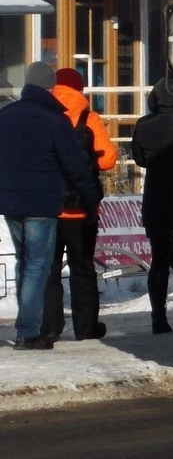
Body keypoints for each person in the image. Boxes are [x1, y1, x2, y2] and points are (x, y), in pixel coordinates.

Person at [0, 61, 102, 351]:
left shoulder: (5, 116)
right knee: (36, 268)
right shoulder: (54, 120)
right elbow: (76, 166)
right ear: (49, 87)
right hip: (42, 204)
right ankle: (28, 332)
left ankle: (28, 326)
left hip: (9, 202)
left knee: (24, 263)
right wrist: (91, 197)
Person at [40, 67, 118, 342]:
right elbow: (108, 159)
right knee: (82, 267)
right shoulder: (89, 118)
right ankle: (86, 329)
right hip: (81, 207)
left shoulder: (44, 117)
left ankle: (50, 327)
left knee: (48, 269)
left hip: (47, 206)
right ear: (80, 90)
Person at [131, 78, 173, 334]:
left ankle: (158, 317)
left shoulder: (143, 125)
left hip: (155, 197)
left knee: (159, 260)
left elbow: (139, 159)